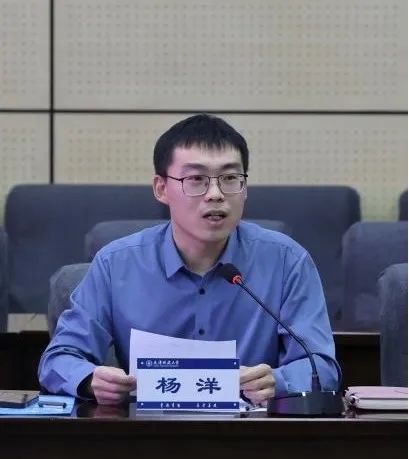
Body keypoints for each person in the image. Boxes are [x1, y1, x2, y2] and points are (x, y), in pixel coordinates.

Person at [38, 113, 340, 405]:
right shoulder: (115, 265)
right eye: (196, 179)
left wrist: (279, 381)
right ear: (161, 189)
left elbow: (323, 368)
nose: (215, 194)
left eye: (230, 178)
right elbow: (58, 360)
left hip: (249, 432)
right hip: (146, 432)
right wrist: (90, 380)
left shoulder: (287, 262)